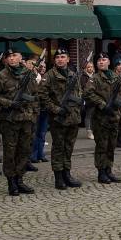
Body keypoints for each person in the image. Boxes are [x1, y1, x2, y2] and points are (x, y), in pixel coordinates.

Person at [0, 49, 37, 196]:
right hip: (10, 121)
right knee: (10, 152)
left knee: (24, 150)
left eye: (15, 55)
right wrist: (8, 103)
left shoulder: (28, 74)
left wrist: (34, 113)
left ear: (21, 57)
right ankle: (11, 182)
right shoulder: (0, 76)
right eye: (9, 57)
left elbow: (35, 94)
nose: (12, 59)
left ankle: (20, 179)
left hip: (26, 119)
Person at [40, 48, 83, 190]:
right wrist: (57, 109)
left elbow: (79, 91)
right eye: (57, 57)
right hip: (58, 118)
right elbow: (43, 96)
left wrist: (78, 104)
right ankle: (59, 177)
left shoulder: (73, 74)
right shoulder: (49, 75)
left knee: (69, 147)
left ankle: (67, 174)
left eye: (63, 56)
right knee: (58, 147)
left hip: (73, 117)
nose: (60, 59)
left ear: (68, 59)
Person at [83, 52, 121, 184]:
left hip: (113, 116)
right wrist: (102, 104)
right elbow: (87, 94)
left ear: (109, 62)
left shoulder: (115, 77)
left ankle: (109, 170)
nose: (101, 62)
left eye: (104, 59)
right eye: (99, 60)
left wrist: (119, 106)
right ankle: (101, 172)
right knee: (102, 146)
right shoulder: (94, 78)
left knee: (111, 145)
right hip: (100, 118)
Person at [80, 60, 96, 139]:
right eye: (88, 67)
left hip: (95, 98)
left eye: (91, 67)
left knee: (94, 115)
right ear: (85, 68)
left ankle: (94, 130)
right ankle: (89, 131)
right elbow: (84, 87)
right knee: (88, 115)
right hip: (88, 99)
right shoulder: (83, 77)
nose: (90, 68)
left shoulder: (95, 75)